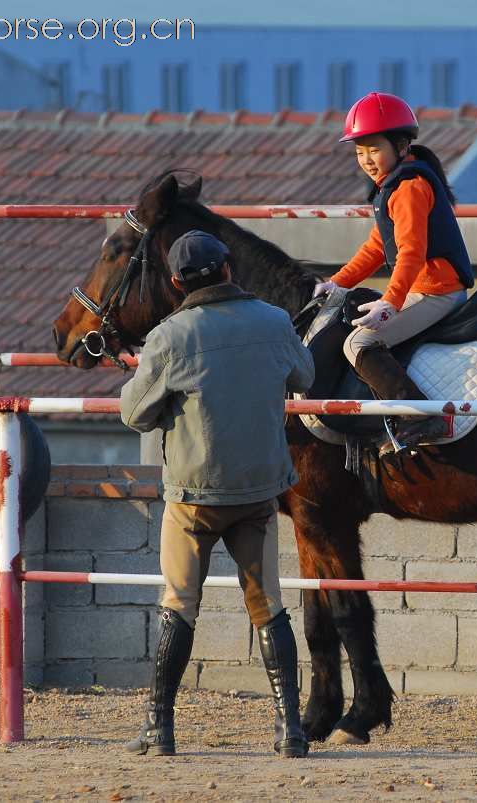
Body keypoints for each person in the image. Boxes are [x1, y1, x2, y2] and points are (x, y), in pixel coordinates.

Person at [119, 229, 315, 758]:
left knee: (179, 604)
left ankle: (160, 728)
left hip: (193, 496)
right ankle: (289, 730)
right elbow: (305, 373)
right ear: (229, 268)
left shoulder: (170, 335)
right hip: (259, 491)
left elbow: (134, 414)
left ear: (179, 282)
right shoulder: (274, 322)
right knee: (269, 607)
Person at [312, 91, 475, 451]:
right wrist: (338, 283)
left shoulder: (409, 187)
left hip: (437, 290)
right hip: (424, 286)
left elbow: (411, 253)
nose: (367, 160)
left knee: (359, 342)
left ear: (401, 145)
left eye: (374, 149)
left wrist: (391, 301)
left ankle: (425, 417)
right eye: (359, 152)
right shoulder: (394, 184)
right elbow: (376, 247)